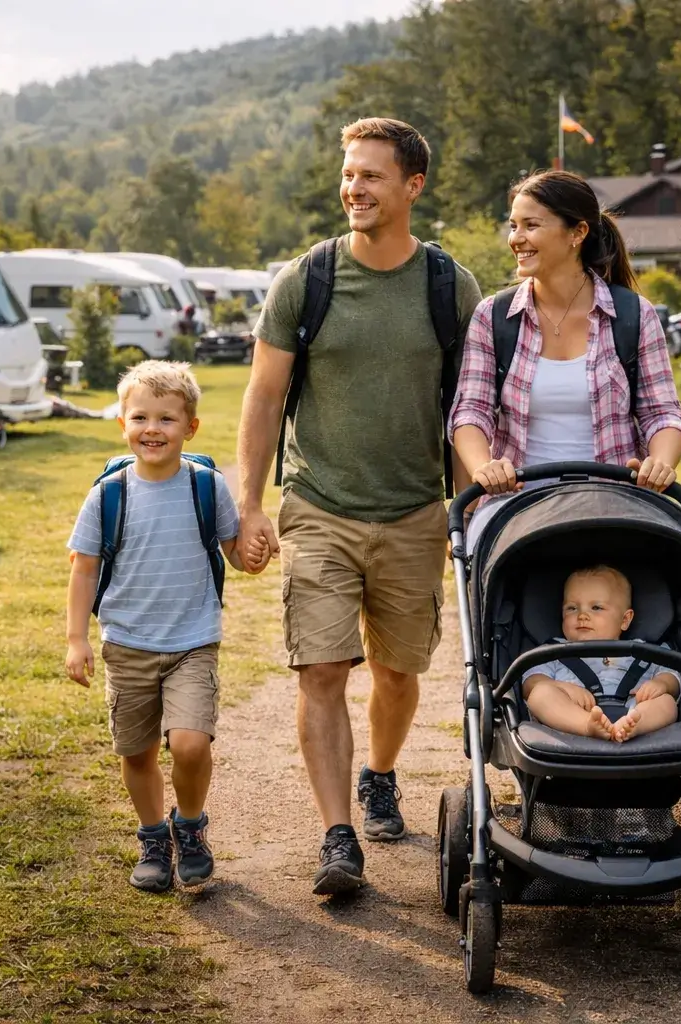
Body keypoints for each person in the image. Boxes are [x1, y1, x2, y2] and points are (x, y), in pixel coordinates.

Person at [236, 117, 482, 896]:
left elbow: (469, 406)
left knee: (399, 670)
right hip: (320, 504)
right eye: (349, 174)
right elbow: (265, 393)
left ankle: (381, 774)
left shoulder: (451, 287)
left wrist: (469, 506)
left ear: (413, 186)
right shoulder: (305, 278)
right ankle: (338, 836)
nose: (355, 188)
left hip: (415, 510)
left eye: (372, 176)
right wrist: (249, 502)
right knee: (319, 667)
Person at [64, 360, 257, 893]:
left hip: (193, 641)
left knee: (191, 744)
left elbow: (233, 552)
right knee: (137, 752)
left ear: (190, 427)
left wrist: (253, 554)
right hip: (126, 643)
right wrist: (76, 639)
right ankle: (153, 837)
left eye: (167, 419)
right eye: (141, 417)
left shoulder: (206, 486)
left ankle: (189, 827)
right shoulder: (108, 494)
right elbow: (83, 567)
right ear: (123, 423)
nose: (153, 429)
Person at [449, 168, 681, 551]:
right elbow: (470, 412)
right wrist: (484, 467)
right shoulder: (493, 316)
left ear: (577, 233)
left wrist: (660, 461)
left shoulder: (632, 315)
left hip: (612, 503)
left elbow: (663, 412)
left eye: (531, 225)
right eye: (513, 226)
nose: (516, 239)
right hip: (516, 508)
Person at [521, 566, 680, 743]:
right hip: (572, 716)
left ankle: (632, 726)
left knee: (667, 702)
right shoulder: (553, 650)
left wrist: (662, 683)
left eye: (596, 607)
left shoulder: (645, 650)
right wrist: (562, 687)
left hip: (634, 709)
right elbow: (530, 682)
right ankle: (587, 725)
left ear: (625, 619)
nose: (582, 615)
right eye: (572, 608)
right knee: (540, 694)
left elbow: (672, 673)